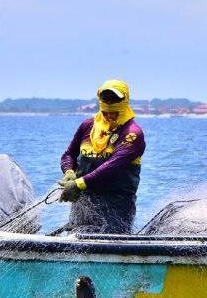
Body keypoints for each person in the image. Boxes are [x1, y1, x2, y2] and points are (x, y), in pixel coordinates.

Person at [59, 79, 146, 234]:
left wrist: (78, 184)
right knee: (75, 239)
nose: (110, 115)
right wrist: (69, 172)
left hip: (116, 208)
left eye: (114, 111)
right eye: (106, 110)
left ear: (125, 101)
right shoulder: (87, 126)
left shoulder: (132, 134)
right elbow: (69, 155)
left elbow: (112, 166)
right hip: (83, 203)